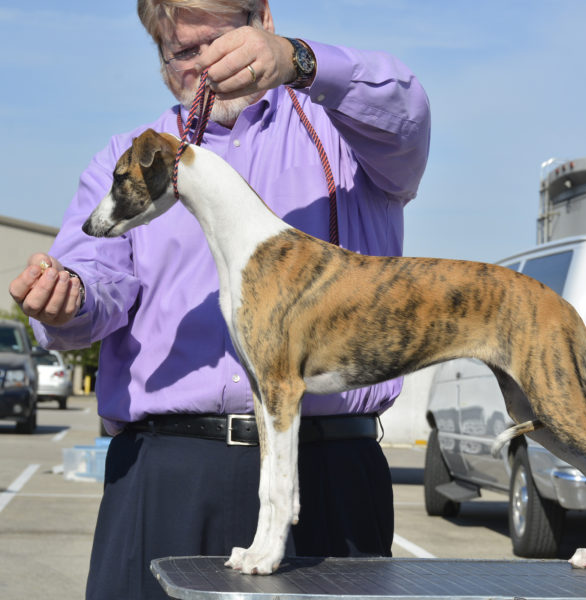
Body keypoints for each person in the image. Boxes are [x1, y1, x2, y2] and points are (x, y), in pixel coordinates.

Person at [8, 1, 430, 598]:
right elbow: (96, 285)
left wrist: (299, 62)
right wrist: (66, 298)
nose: (203, 64)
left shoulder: (348, 134)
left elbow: (408, 113)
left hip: (329, 472)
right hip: (169, 473)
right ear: (159, 58)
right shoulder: (127, 159)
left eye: (220, 42)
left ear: (263, 19)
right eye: (181, 52)